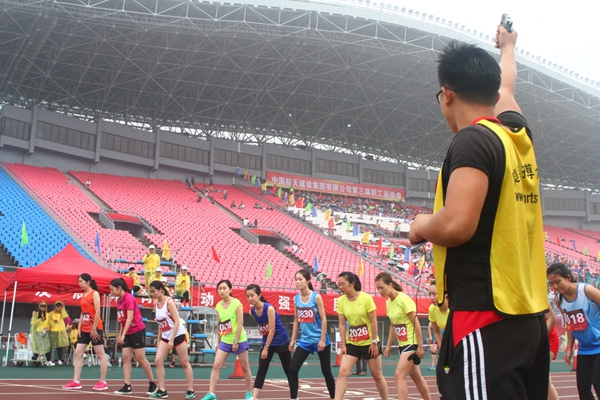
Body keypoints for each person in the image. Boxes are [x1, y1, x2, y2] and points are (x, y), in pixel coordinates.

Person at [408, 25, 549, 399]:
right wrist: (508, 48)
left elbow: (457, 224)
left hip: (485, 319)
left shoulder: (472, 140)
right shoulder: (517, 135)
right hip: (529, 318)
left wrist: (420, 225)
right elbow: (509, 87)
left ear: (447, 95)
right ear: (492, 92)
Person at [548, 263, 600, 400]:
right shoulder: (559, 299)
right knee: (583, 387)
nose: (555, 286)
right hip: (585, 348)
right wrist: (569, 348)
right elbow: (570, 324)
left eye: (558, 281)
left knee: (598, 381)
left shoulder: (586, 290)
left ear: (568, 278)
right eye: (552, 283)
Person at [376, 272, 431, 400]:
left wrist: (420, 346)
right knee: (416, 376)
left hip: (411, 343)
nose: (380, 291)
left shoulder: (404, 300)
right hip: (402, 344)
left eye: (382, 287)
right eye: (378, 288)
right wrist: (388, 346)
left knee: (399, 375)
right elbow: (393, 324)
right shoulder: (388, 303)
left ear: (390, 285)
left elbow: (416, 323)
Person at [335, 271, 388, 400]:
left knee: (377, 375)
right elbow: (342, 324)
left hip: (369, 343)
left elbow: (373, 322)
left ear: (352, 284)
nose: (340, 287)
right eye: (339, 285)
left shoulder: (366, 298)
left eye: (343, 284)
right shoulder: (341, 301)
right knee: (343, 372)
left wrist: (374, 342)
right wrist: (343, 345)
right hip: (352, 343)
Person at [201, 280, 252, 400]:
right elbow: (220, 324)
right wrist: (218, 342)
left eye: (224, 288)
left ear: (230, 290)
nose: (222, 291)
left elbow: (240, 323)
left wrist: (236, 341)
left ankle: (249, 392)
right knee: (216, 365)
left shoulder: (236, 303)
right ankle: (211, 393)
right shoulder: (218, 306)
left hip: (239, 340)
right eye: (219, 289)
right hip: (225, 340)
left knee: (245, 367)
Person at [288, 269, 335, 400]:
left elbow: (324, 319)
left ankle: (334, 397)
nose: (297, 282)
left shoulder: (316, 297)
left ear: (308, 280)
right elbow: (296, 320)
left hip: (320, 340)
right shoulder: (296, 299)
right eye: (296, 279)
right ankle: (293, 398)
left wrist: (322, 340)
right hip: (305, 341)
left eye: (300, 279)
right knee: (292, 369)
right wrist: (292, 339)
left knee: (326, 371)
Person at [109, 278, 157, 396]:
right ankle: (127, 385)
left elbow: (130, 318)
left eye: (112, 289)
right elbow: (122, 319)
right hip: (127, 331)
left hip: (137, 330)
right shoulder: (119, 301)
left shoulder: (129, 298)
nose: (111, 292)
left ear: (119, 288)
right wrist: (121, 334)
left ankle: (152, 383)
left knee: (140, 358)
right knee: (126, 358)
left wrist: (123, 334)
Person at [149, 280, 195, 399]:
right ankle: (162, 389)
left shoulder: (169, 302)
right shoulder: (156, 303)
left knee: (184, 362)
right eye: (150, 292)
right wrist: (159, 339)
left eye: (154, 291)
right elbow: (160, 323)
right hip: (165, 336)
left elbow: (177, 321)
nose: (152, 294)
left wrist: (172, 339)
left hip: (178, 335)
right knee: (158, 361)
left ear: (160, 290)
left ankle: (190, 389)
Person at [62, 274, 109, 391]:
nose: (80, 284)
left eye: (81, 281)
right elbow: (83, 312)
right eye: (79, 282)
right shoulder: (83, 295)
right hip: (84, 328)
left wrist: (94, 328)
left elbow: (97, 312)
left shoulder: (95, 294)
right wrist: (79, 327)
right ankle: (76, 381)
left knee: (100, 354)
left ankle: (103, 381)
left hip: (95, 328)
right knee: (78, 353)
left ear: (88, 282)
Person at [246, 284, 292, 400]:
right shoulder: (252, 312)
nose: (250, 298)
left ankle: (294, 396)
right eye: (248, 296)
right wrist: (265, 342)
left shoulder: (269, 309)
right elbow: (262, 327)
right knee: (262, 369)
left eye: (252, 295)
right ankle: (254, 397)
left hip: (281, 340)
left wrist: (266, 348)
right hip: (267, 340)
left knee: (288, 370)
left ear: (259, 295)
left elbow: (272, 330)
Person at [427, 280, 448, 370]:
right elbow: (436, 331)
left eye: (434, 294)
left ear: (445, 294)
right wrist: (442, 349)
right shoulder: (432, 309)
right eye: (429, 294)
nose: (431, 298)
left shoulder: (454, 308)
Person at [47, 301, 70, 365]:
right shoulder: (51, 313)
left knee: (59, 346)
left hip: (60, 331)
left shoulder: (62, 313)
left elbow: (66, 316)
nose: (58, 307)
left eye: (59, 306)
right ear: (54, 306)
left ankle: (59, 360)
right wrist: (53, 322)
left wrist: (63, 308)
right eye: (57, 306)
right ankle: (48, 360)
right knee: (50, 346)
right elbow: (48, 321)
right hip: (53, 331)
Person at [30, 301, 52, 366]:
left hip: (45, 332)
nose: (43, 308)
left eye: (44, 306)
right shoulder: (36, 314)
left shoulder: (48, 315)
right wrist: (40, 320)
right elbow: (33, 323)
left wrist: (49, 328)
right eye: (41, 306)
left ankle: (48, 360)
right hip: (37, 333)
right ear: (39, 307)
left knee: (47, 346)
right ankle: (35, 359)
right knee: (37, 347)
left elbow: (50, 323)